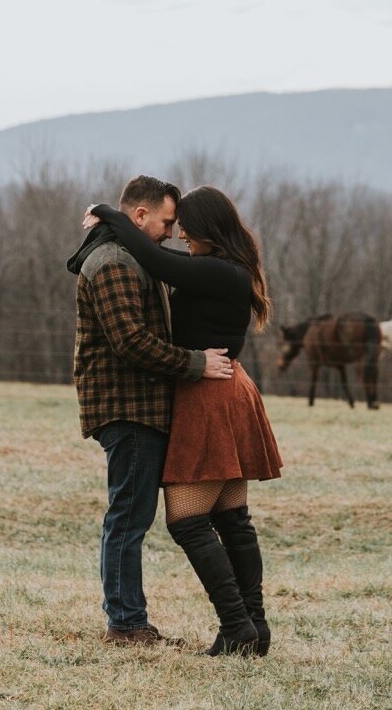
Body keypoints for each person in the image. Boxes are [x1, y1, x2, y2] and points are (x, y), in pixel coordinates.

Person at [85, 186, 282, 656]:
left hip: (210, 395)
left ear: (206, 230)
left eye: (186, 230)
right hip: (228, 388)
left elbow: (159, 262)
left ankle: (237, 625)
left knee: (187, 520)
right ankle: (253, 627)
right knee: (233, 519)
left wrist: (107, 214)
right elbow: (167, 255)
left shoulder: (215, 270)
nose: (180, 237)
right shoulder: (229, 266)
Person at [66, 175, 234, 647]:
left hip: (141, 405)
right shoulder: (115, 262)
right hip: (128, 407)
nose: (169, 232)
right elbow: (132, 342)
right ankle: (125, 624)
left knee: (131, 515)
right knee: (128, 517)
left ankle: (129, 619)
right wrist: (198, 364)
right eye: (164, 222)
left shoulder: (132, 258)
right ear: (139, 216)